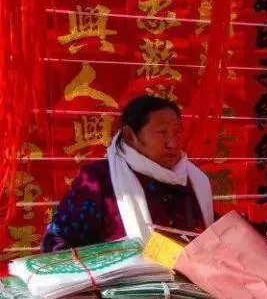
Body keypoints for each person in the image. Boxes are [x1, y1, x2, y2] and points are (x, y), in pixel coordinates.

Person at [42, 95, 214, 252]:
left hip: (190, 275)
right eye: (162, 132)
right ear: (130, 136)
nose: (172, 143)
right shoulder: (99, 180)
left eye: (177, 132)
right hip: (123, 276)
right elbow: (56, 244)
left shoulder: (194, 180)